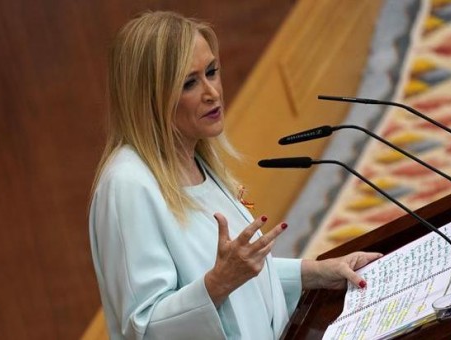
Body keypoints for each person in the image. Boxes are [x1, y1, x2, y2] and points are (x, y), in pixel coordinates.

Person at [89, 11, 382, 339]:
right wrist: (218, 283)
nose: (211, 92)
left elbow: (243, 284)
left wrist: (316, 272)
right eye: (189, 83)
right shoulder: (127, 185)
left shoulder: (196, 157)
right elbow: (142, 328)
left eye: (211, 72)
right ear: (149, 99)